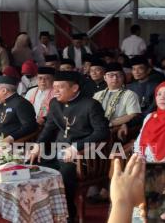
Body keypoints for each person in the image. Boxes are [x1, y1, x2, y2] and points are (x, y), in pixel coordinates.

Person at [31, 71, 109, 221]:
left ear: (74, 88)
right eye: (54, 87)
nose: (56, 91)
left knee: (65, 172)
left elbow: (102, 132)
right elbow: (49, 127)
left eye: (60, 87)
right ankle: (41, 213)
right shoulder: (55, 103)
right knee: (33, 166)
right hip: (57, 151)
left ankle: (67, 215)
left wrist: (76, 147)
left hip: (85, 155)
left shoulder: (91, 105)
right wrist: (38, 144)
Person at [94, 62, 141, 141]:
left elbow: (132, 115)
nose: (115, 78)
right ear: (105, 77)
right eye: (111, 75)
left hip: (115, 129)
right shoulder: (97, 95)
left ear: (123, 77)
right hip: (97, 129)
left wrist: (111, 123)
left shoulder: (130, 94)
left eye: (119, 75)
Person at [0, 76, 37, 143]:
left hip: (12, 146)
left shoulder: (21, 103)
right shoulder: (1, 104)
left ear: (4, 91)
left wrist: (11, 138)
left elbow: (29, 126)